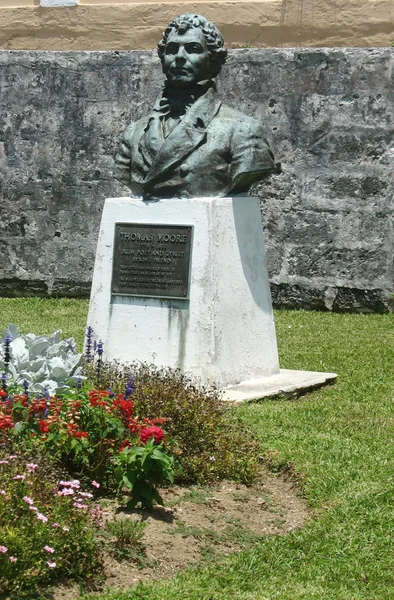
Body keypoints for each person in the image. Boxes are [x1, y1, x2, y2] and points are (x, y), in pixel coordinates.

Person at [114, 13, 277, 200]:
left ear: (212, 59)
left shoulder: (244, 131)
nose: (180, 57)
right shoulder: (134, 133)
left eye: (192, 49)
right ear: (163, 58)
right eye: (172, 49)